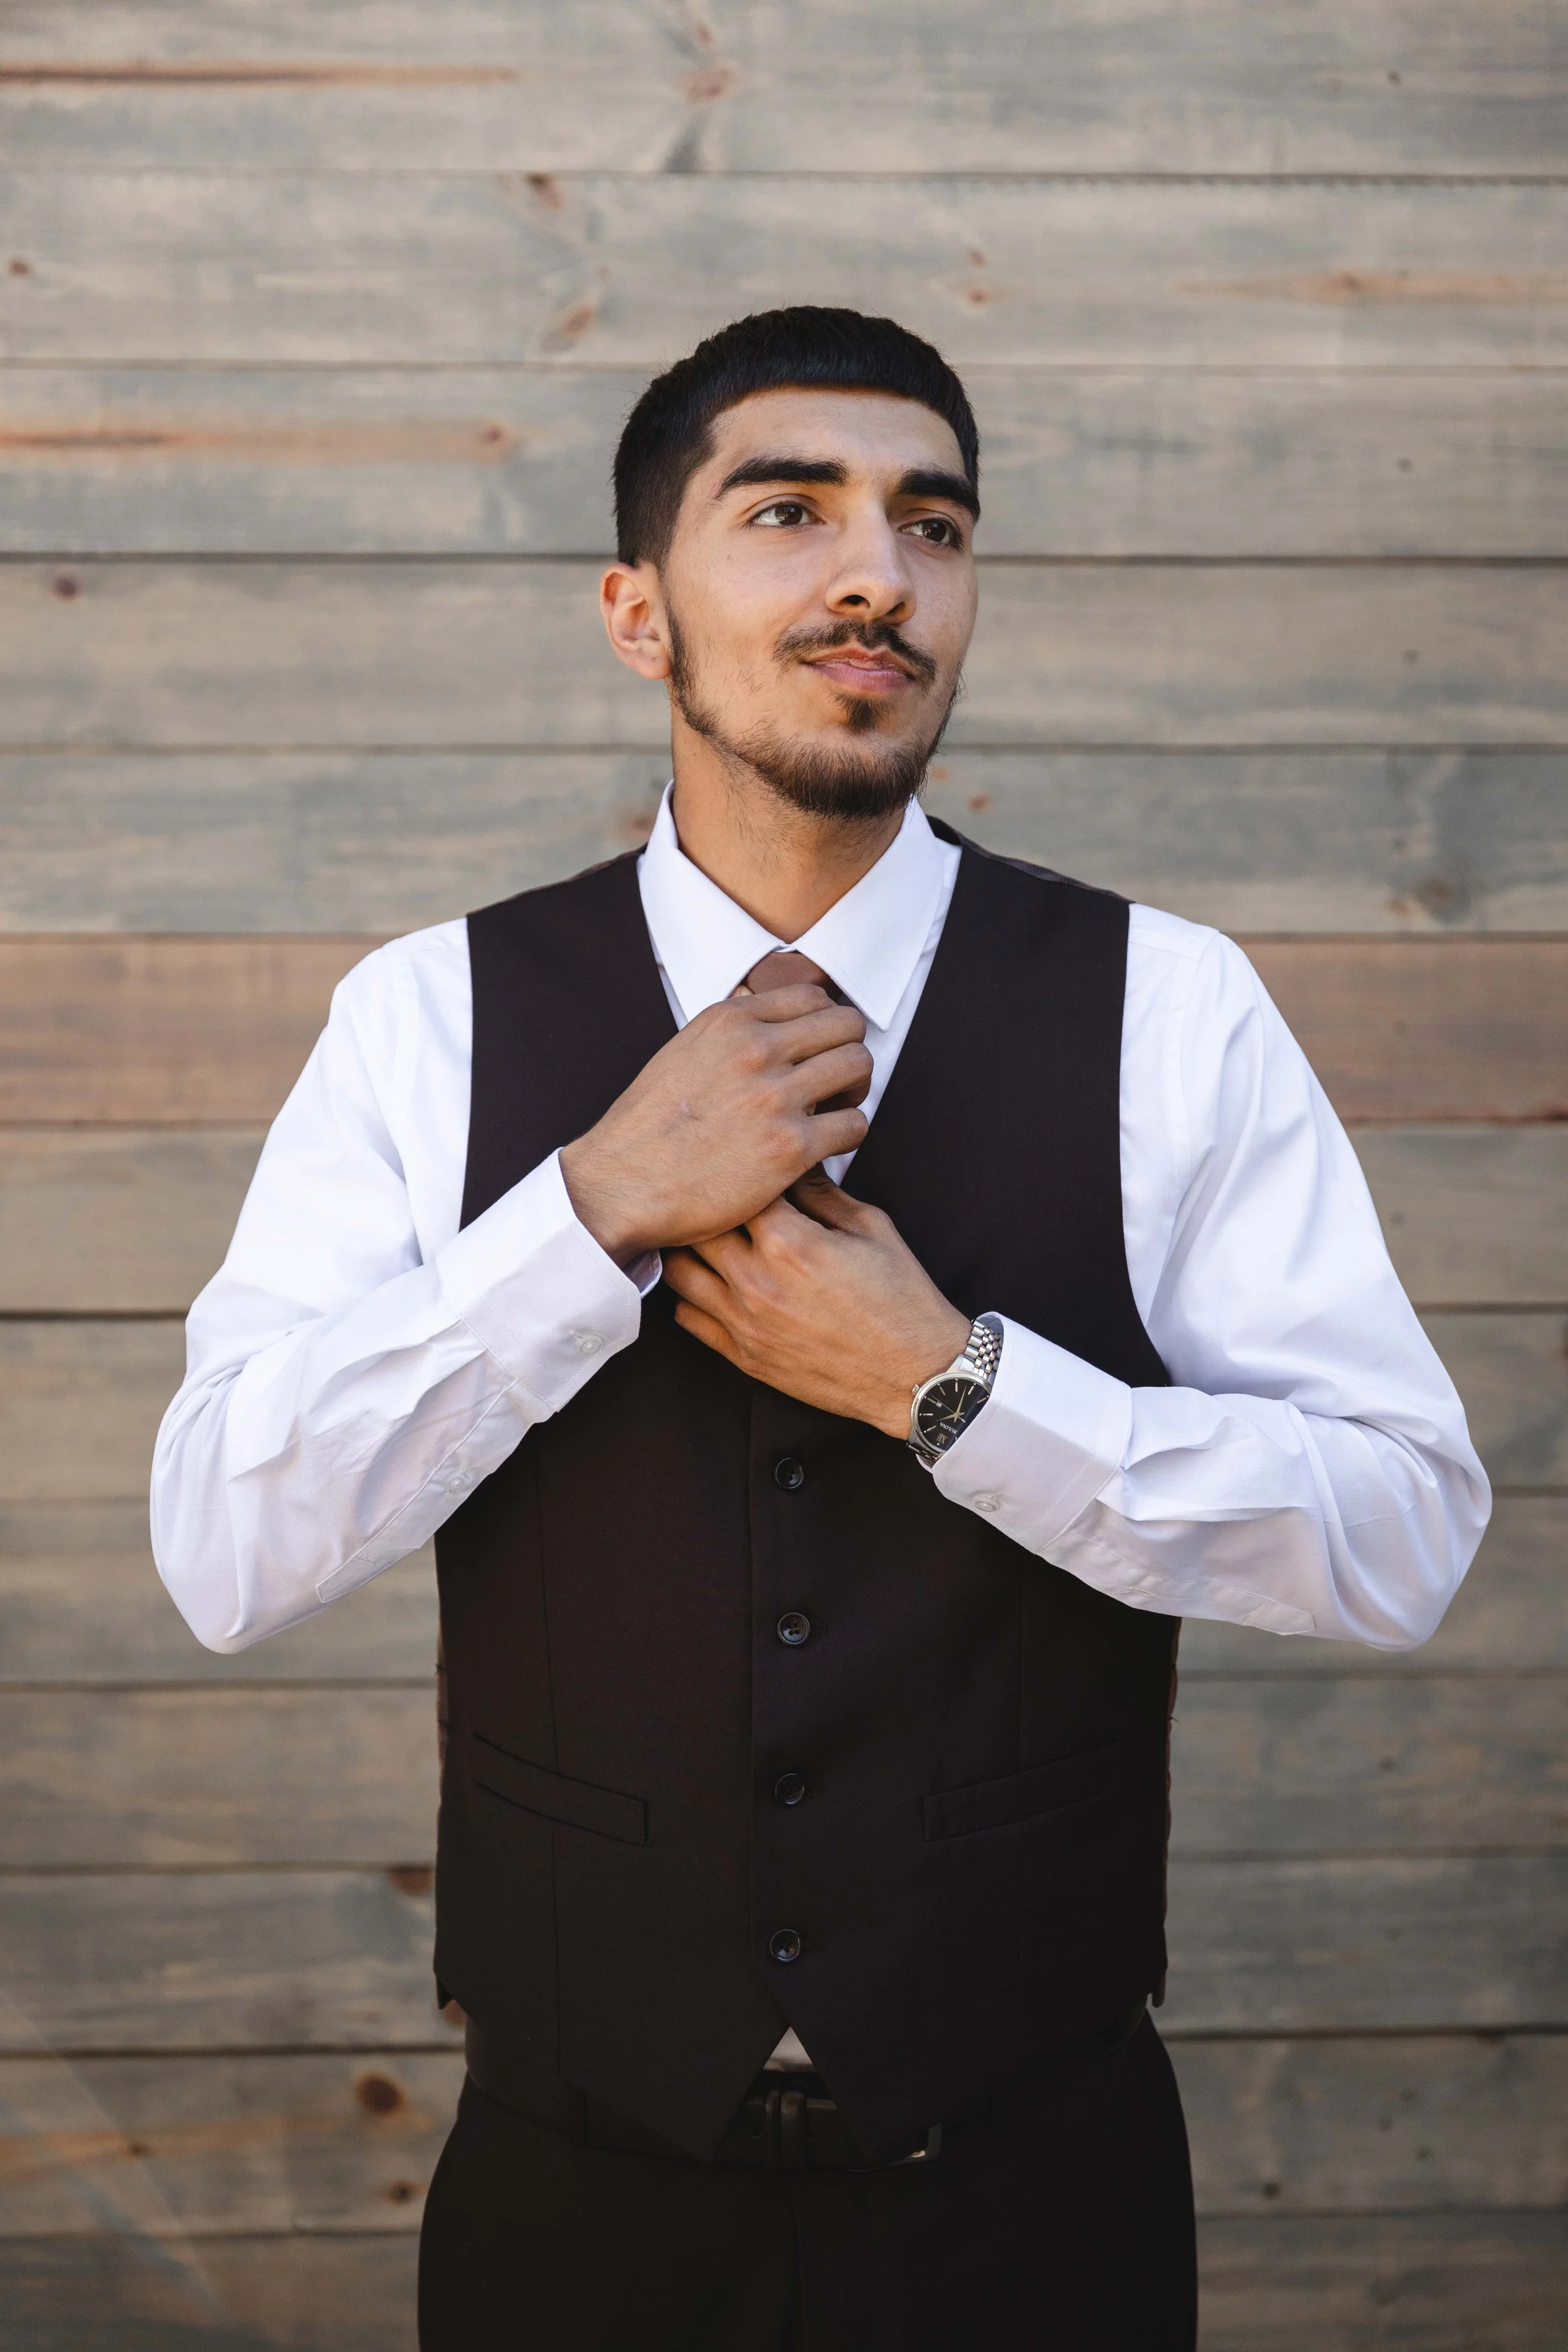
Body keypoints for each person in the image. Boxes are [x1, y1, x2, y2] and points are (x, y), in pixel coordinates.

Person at [152, 307, 1489, 2351]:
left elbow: (1401, 1528)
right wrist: (587, 1215)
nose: (878, 574)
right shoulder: (424, 1016)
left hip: (1032, 2191)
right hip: (573, 2197)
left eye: (930, 525)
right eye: (789, 512)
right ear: (637, 611)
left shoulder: (1172, 1006)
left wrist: (952, 1387)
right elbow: (220, 1544)